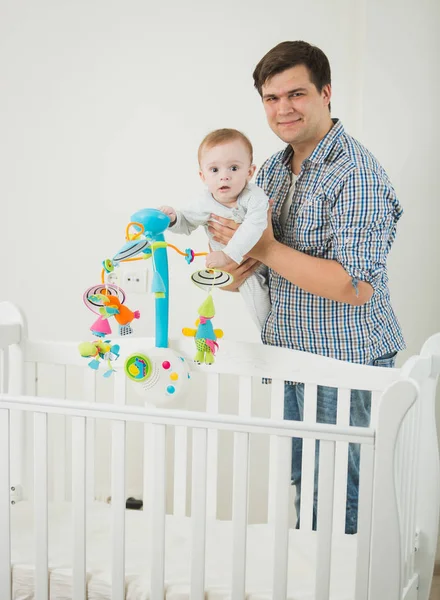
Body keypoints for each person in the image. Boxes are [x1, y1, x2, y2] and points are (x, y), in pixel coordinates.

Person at [207, 41, 405, 534]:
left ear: (326, 93)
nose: (283, 109)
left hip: (346, 362)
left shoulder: (356, 174)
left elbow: (355, 286)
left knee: (341, 495)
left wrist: (266, 248)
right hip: (292, 358)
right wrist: (232, 268)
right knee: (307, 484)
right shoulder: (271, 170)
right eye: (271, 98)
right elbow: (266, 270)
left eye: (295, 93)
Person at [159, 128, 271, 329]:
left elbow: (254, 227)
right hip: (243, 271)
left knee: (275, 294)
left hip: (264, 260)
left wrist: (228, 255)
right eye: (214, 170)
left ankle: (280, 334)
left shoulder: (255, 197)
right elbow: (187, 222)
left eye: (234, 168)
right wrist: (174, 218)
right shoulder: (204, 203)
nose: (224, 177)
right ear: (203, 176)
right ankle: (271, 334)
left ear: (250, 171)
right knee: (258, 301)